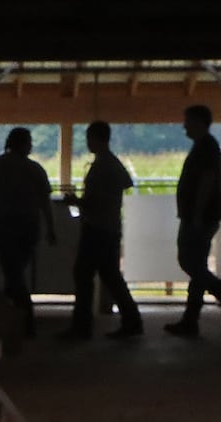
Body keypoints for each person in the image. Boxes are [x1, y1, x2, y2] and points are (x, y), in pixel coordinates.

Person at [166, 103, 221, 337]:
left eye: (188, 121)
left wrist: (198, 214)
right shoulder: (205, 146)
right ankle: (191, 320)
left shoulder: (206, 148)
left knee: (189, 262)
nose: (184, 126)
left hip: (199, 216)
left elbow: (207, 182)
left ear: (199, 123)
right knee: (196, 264)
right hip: (198, 215)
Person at [60, 120, 142, 339]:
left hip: (97, 228)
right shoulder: (112, 163)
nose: (87, 143)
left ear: (96, 138)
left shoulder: (101, 166)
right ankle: (132, 319)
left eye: (89, 138)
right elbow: (125, 185)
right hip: (109, 227)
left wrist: (76, 201)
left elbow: (94, 201)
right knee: (110, 276)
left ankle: (82, 326)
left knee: (84, 275)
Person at [0, 127, 57, 337]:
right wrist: (50, 228)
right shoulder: (35, 169)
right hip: (28, 228)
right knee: (15, 273)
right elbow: (45, 202)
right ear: (24, 144)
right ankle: (20, 320)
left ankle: (18, 319)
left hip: (3, 227)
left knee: (13, 274)